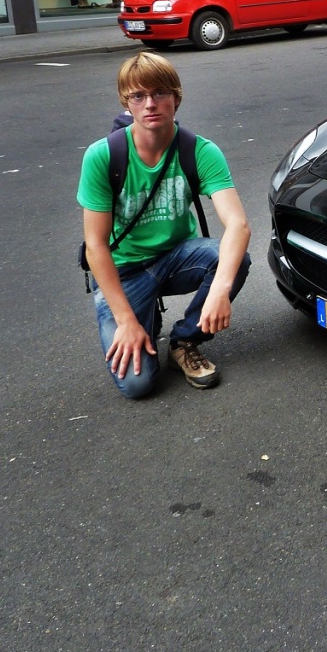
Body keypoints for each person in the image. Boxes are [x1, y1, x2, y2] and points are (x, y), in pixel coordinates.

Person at [78, 52, 251, 399]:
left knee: (232, 260)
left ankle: (185, 340)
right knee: (138, 385)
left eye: (159, 93)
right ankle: (141, 319)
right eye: (138, 96)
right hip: (124, 269)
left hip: (175, 257)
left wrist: (220, 289)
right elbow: (95, 246)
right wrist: (126, 321)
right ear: (126, 103)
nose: (150, 104)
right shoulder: (103, 156)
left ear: (176, 97)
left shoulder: (198, 151)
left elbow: (238, 225)